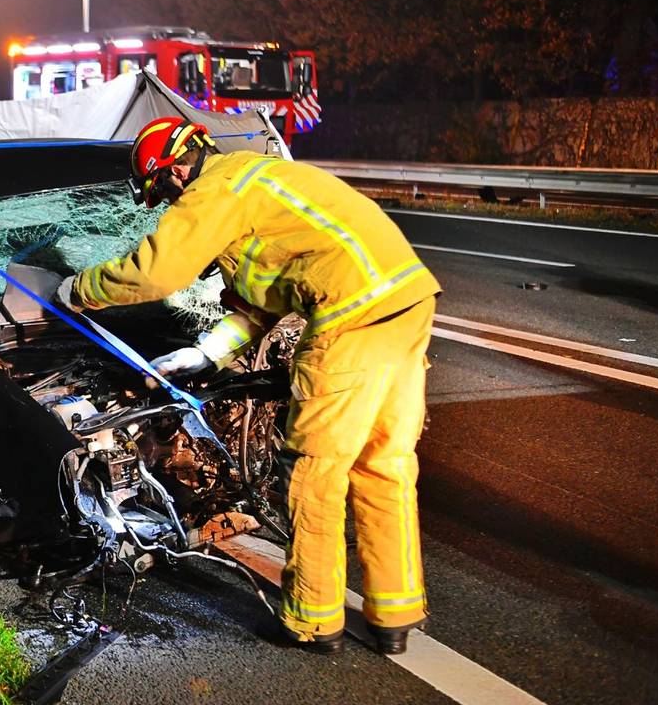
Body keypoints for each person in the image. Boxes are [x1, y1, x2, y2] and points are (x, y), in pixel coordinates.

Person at [56, 117, 441, 655]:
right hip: (406, 304)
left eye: (162, 193)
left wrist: (78, 290)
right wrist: (205, 352)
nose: (167, 206)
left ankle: (311, 621)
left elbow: (155, 274)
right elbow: (264, 301)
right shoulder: (253, 185)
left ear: (172, 173)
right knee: (384, 464)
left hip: (351, 319)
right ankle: (394, 614)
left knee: (314, 472)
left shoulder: (215, 188)